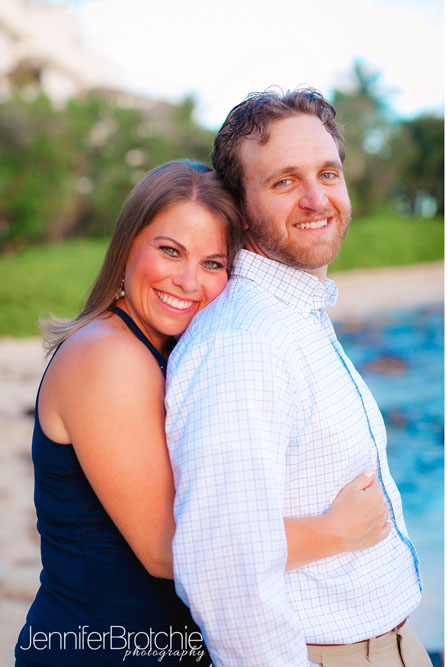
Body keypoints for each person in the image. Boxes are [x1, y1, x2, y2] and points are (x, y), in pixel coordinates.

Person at [16, 160, 389, 666]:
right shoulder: (108, 356)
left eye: (213, 263)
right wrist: (335, 531)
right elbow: (171, 548)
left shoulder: (169, 351)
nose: (188, 281)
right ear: (127, 244)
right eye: (170, 251)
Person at [165, 88, 430, 667]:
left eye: (328, 174)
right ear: (239, 206)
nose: (317, 199)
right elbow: (224, 566)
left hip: (385, 645)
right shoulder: (246, 343)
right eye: (284, 181)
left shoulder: (296, 316)